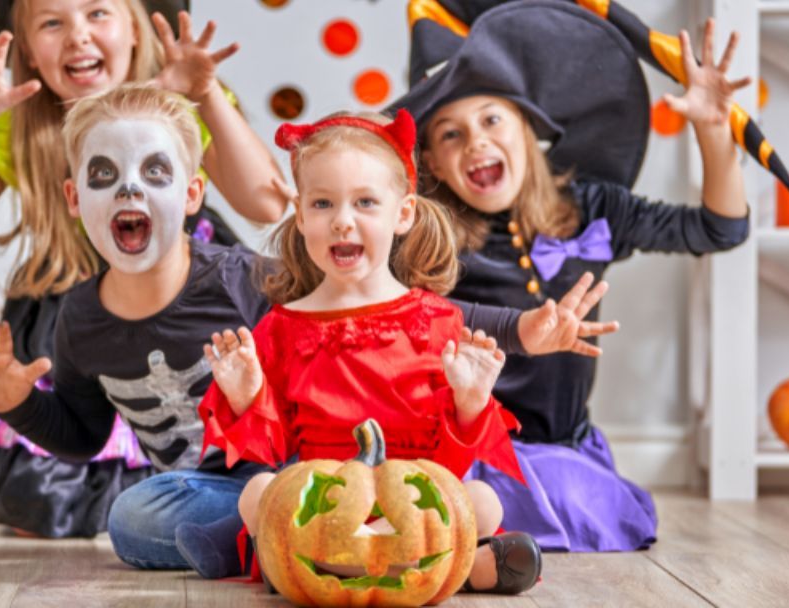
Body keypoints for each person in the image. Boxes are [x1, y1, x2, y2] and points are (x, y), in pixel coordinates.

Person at [0, 84, 614, 579]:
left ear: (191, 193)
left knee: (480, 503)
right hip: (249, 484)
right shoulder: (85, 317)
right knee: (153, 513)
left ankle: (282, 555)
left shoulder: (251, 283)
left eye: (153, 173)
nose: (128, 194)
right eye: (322, 205)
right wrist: (18, 404)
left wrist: (527, 330)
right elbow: (89, 433)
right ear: (74, 199)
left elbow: (445, 323)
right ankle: (342, 554)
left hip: (365, 481)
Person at [0, 0, 289, 538]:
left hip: (187, 294)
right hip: (76, 305)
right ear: (29, 51)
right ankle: (180, 512)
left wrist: (203, 99)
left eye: (97, 13)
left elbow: (268, 204)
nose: (78, 36)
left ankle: (222, 500)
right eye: (53, 22)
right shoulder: (18, 125)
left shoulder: (177, 107)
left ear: (134, 30)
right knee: (43, 513)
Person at [393, 2, 750, 551]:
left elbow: (719, 230)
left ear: (527, 125)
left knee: (578, 497)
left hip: (566, 452)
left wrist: (712, 131)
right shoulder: (422, 238)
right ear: (433, 163)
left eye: (491, 119)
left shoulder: (592, 209)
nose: (476, 143)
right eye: (450, 135)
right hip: (464, 452)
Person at [198, 110, 544, 594]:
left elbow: (449, 470)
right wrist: (245, 395)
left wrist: (470, 402)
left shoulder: (436, 321)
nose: (342, 221)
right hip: (325, 505)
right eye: (322, 204)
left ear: (402, 213)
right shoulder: (282, 326)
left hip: (413, 505)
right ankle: (462, 571)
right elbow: (269, 450)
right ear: (300, 215)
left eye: (364, 202)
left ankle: (320, 570)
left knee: (484, 500)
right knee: (256, 494)